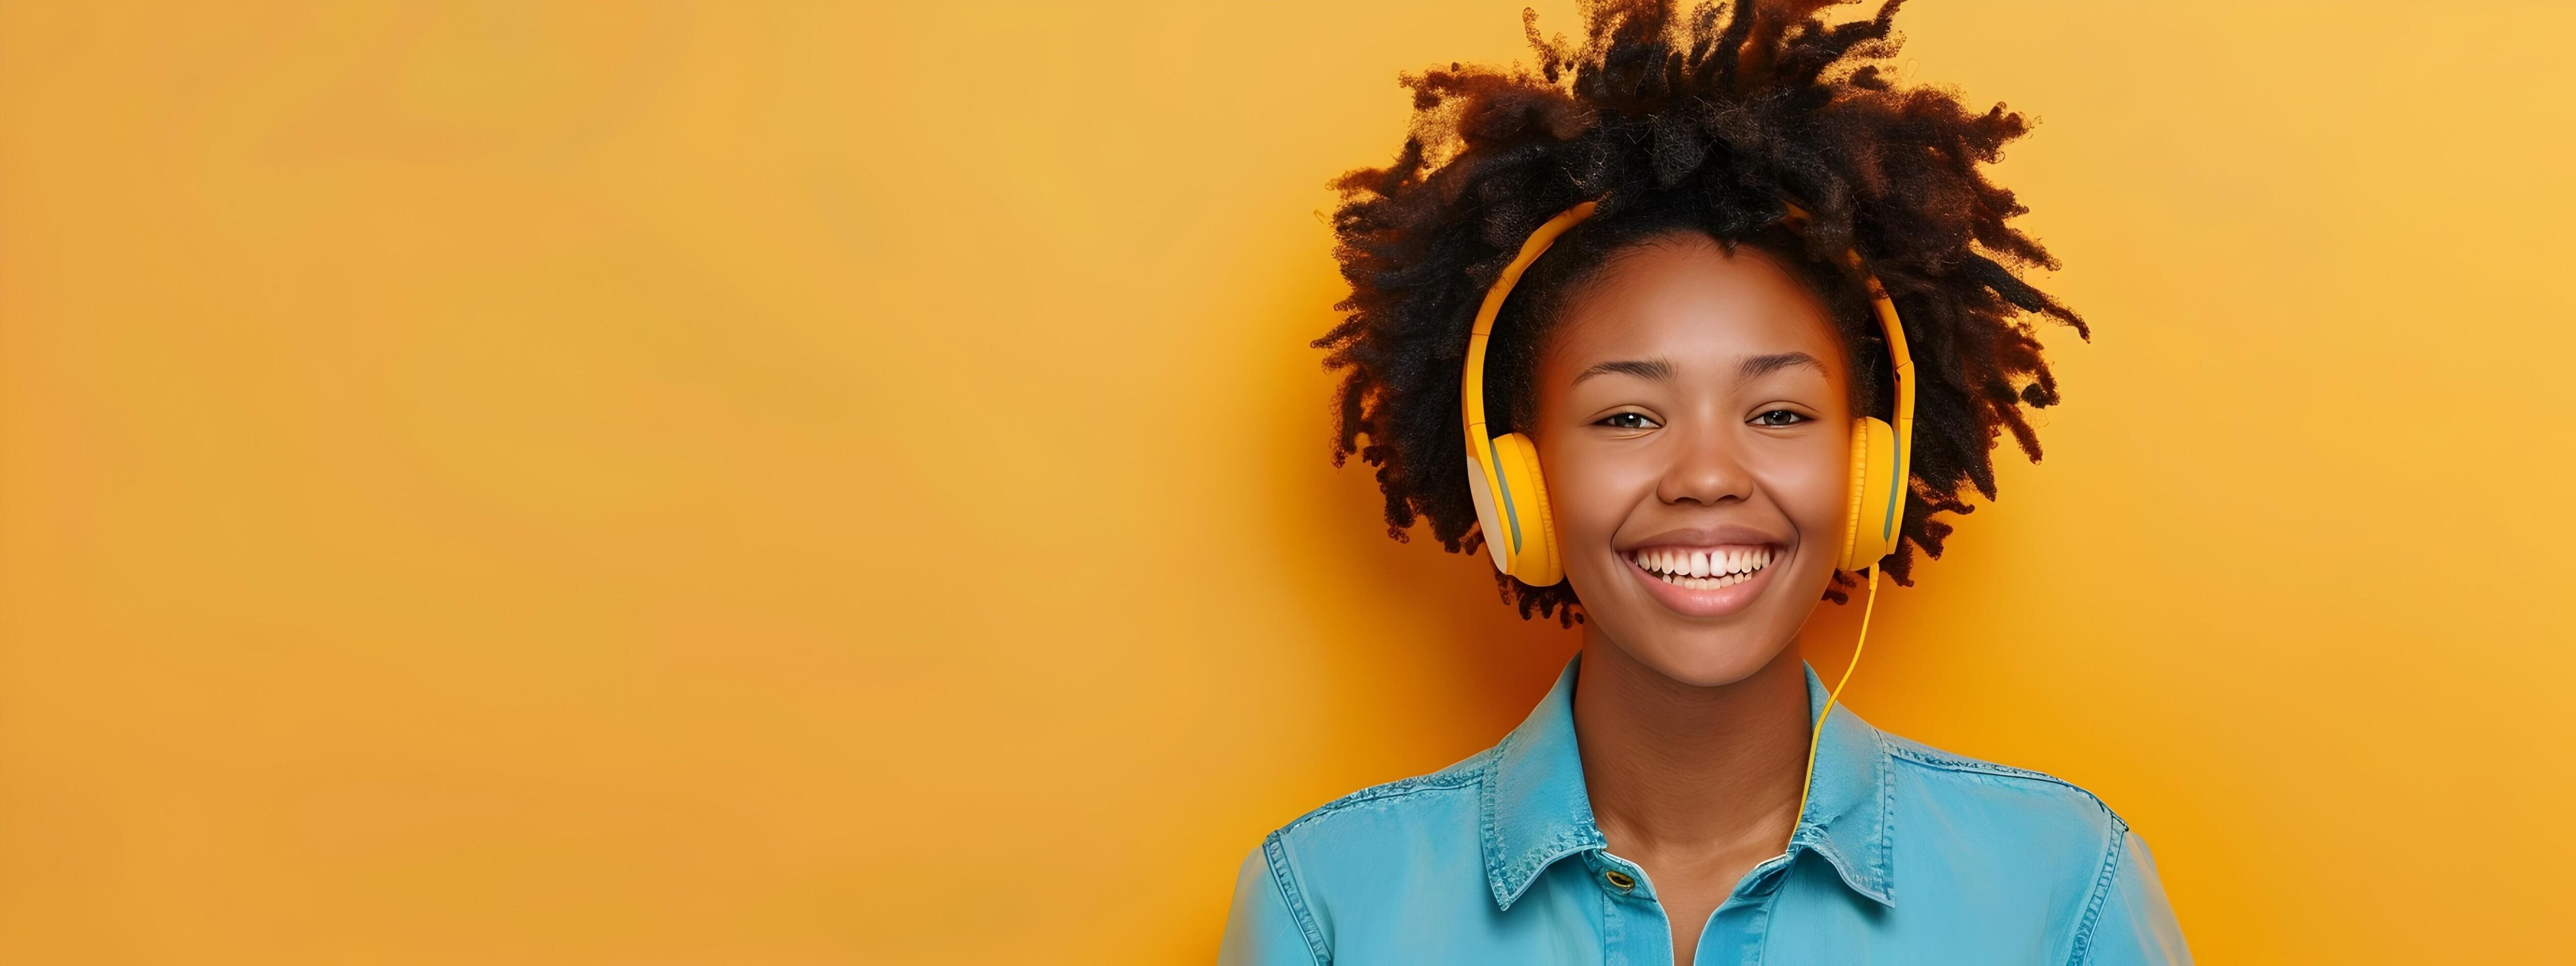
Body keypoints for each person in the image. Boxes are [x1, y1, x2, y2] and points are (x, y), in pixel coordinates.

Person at [1218, 1, 2188, 963]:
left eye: (1778, 413)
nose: (1708, 476)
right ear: (1520, 483)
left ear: (1871, 473)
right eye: (1628, 417)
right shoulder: (1328, 906)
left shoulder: (2062, 888)